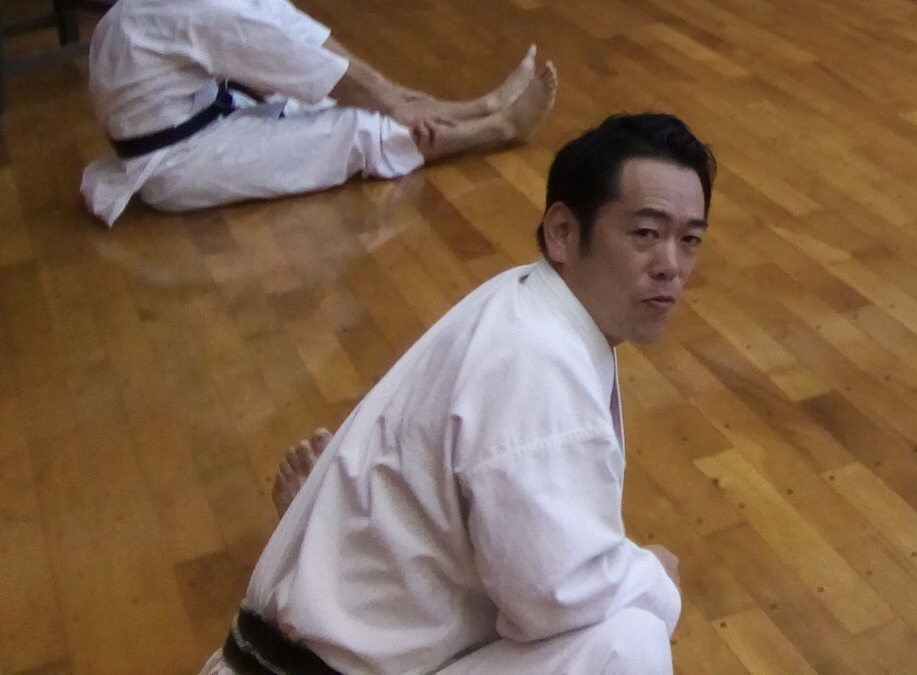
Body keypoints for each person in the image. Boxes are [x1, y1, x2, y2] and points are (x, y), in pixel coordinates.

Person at [209, 112, 713, 675]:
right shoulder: (535, 358)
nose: (671, 266)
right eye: (646, 234)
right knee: (629, 640)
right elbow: (554, 596)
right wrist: (654, 577)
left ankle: (332, 550)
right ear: (563, 232)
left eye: (689, 240)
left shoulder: (527, 304)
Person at [79, 0, 555, 226]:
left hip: (204, 118)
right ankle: (499, 127)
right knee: (355, 127)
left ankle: (482, 106)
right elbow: (297, 62)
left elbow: (304, 36)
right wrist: (391, 104)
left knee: (349, 99)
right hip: (175, 161)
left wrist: (391, 92)